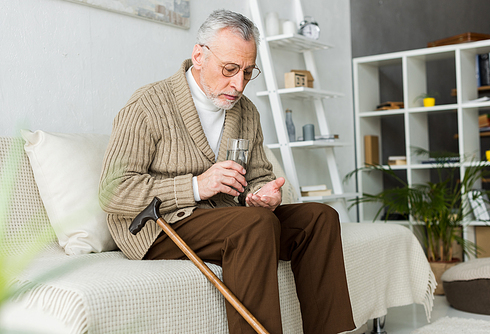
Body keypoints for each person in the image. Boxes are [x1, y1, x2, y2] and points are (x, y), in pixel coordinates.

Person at [99, 9, 355, 334]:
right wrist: (196, 186)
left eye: (248, 73)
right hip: (158, 226)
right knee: (253, 226)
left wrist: (261, 194)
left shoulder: (247, 112)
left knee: (320, 218)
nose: (238, 84)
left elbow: (258, 175)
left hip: (229, 221)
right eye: (230, 69)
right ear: (199, 55)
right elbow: (113, 191)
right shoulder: (148, 106)